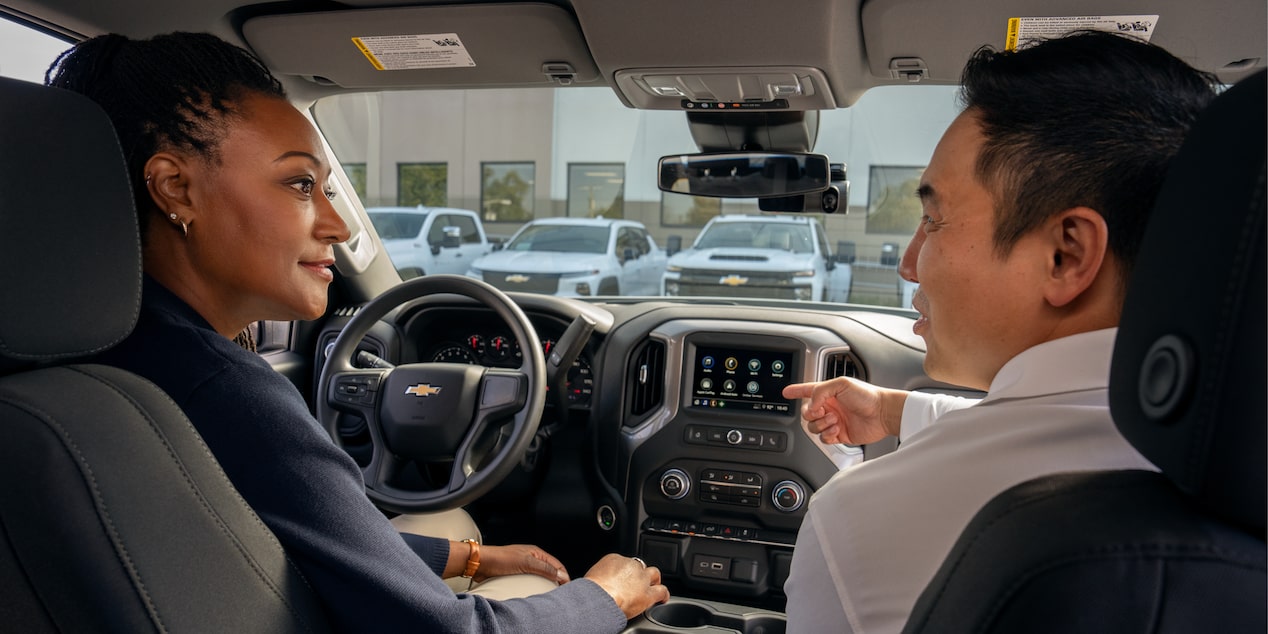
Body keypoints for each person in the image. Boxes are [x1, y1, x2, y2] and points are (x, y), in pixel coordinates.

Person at [49, 32, 668, 631]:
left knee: (450, 527)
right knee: (537, 582)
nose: (339, 225)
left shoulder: (89, 357)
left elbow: (271, 534)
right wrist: (605, 595)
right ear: (175, 188)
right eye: (300, 184)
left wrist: (474, 560)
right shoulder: (223, 391)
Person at [779, 31, 1218, 633]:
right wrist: (897, 411)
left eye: (933, 220)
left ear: (1065, 255)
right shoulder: (1224, 440)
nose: (909, 262)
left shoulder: (859, 520)